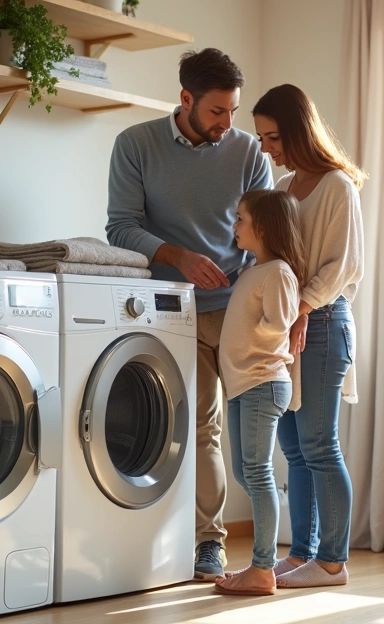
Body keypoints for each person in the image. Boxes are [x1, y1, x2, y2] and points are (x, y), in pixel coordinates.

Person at [106, 48, 274, 580]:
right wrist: (178, 257)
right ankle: (209, 543)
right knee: (201, 427)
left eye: (233, 111)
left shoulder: (249, 153)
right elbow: (120, 227)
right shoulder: (135, 145)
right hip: (170, 309)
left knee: (254, 433)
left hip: (236, 309)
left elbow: (266, 234)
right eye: (217, 112)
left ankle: (283, 550)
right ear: (186, 100)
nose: (228, 124)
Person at [251, 84, 366, 588]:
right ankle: (301, 554)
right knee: (294, 451)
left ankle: (334, 562)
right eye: (261, 137)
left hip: (320, 325)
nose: (266, 148)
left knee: (320, 446)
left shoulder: (337, 186)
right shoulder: (283, 188)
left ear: (298, 131)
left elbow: (344, 267)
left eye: (272, 136)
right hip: (290, 327)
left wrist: (299, 309)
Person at [212, 190, 305, 596]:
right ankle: (272, 505)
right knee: (245, 472)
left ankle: (263, 568)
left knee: (257, 472)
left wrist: (247, 338)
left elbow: (278, 323)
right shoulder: (253, 271)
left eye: (241, 219)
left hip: (262, 382)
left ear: (263, 228)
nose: (235, 226)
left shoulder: (279, 272)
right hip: (244, 385)